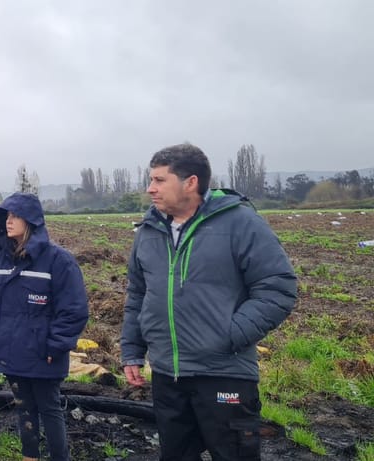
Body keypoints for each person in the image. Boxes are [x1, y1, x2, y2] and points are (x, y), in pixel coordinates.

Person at [121, 143, 298, 461]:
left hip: (224, 372)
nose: (150, 189)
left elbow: (278, 287)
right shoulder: (148, 231)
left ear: (190, 182)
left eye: (160, 180)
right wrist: (132, 351)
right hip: (167, 374)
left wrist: (228, 334)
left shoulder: (240, 223)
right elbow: (138, 294)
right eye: (151, 180)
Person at [0, 192, 89, 461]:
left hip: (42, 352)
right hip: (9, 349)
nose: (8, 222)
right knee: (23, 406)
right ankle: (30, 456)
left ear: (32, 221)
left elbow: (74, 310)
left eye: (15, 216)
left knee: (49, 408)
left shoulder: (58, 261)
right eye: (6, 216)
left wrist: (56, 345)